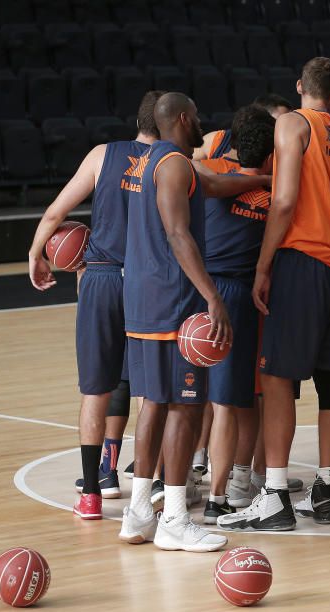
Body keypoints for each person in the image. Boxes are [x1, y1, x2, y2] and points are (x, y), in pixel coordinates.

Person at [218, 57, 330, 531]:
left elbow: (286, 199)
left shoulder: (292, 124)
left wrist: (264, 264)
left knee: (276, 380)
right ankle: (325, 488)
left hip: (303, 262)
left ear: (300, 87)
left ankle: (273, 493)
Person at [29, 90, 165, 519]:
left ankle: (91, 491)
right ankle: (151, 489)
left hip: (101, 277)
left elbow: (55, 213)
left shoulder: (102, 154)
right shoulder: (173, 161)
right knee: (150, 391)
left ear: (138, 121)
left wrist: (36, 253)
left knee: (94, 389)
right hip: (147, 279)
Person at [119, 92, 231, 552]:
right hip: (174, 299)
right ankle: (176, 519)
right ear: (184, 119)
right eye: (199, 114)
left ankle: (140, 512)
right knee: (185, 407)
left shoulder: (143, 163)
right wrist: (212, 297)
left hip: (143, 297)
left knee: (154, 404)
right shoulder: (176, 165)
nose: (202, 120)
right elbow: (177, 232)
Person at [195, 108, 276, 525]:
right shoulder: (276, 196)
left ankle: (168, 481)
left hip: (198, 289)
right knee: (229, 403)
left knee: (185, 397)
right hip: (236, 298)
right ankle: (218, 496)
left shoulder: (208, 174)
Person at [192, 93, 293, 160]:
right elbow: (186, 167)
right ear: (258, 118)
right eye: (280, 123)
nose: (286, 129)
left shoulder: (286, 153)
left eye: (289, 124)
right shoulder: (217, 140)